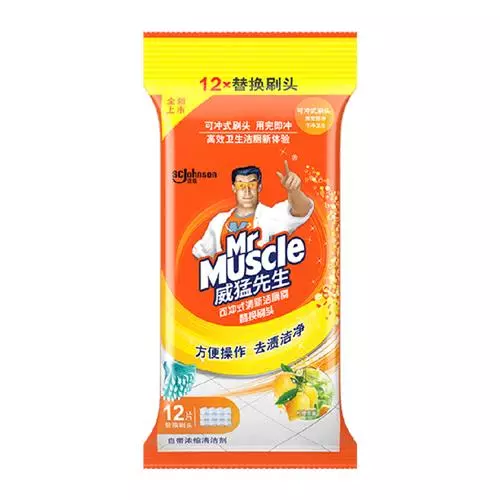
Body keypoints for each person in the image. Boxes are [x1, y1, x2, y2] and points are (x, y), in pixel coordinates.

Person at [192, 160, 314, 259]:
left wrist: (294, 191)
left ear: (259, 187)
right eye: (241, 185)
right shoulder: (219, 221)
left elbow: (301, 210)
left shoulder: (271, 216)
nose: (247, 190)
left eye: (252, 184)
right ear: (234, 188)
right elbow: (200, 253)